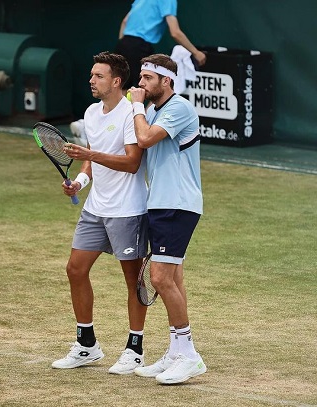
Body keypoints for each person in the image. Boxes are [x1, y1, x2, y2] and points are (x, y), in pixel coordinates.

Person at [52, 51, 149, 375]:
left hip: (127, 210)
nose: (91, 80)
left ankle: (134, 350)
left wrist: (90, 152)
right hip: (96, 207)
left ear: (116, 81)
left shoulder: (131, 115)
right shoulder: (91, 112)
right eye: (92, 75)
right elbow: (91, 162)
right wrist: (79, 182)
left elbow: (132, 163)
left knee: (133, 280)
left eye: (98, 76)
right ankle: (87, 345)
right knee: (75, 269)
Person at [126, 53, 205, 384]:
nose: (141, 84)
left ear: (166, 81)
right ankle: (176, 350)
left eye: (147, 78)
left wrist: (135, 106)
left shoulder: (179, 108)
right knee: (174, 279)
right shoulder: (157, 111)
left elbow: (144, 139)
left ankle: (188, 354)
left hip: (178, 203)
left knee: (159, 278)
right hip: (160, 203)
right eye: (140, 78)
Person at [70, 0, 207, 140]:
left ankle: (91, 127)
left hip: (124, 43)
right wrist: (196, 52)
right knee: (147, 89)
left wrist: (123, 48)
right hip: (139, 46)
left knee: (121, 91)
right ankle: (93, 127)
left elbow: (125, 21)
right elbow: (175, 32)